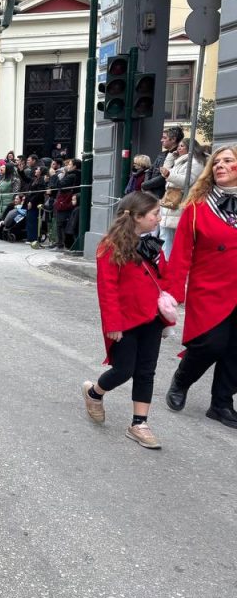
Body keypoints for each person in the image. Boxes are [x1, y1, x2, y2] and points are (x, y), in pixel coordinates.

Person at [82, 191, 173, 449]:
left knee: (146, 370)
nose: (159, 218)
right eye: (155, 213)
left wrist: (168, 306)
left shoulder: (154, 243)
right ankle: (94, 392)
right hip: (125, 320)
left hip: (152, 317)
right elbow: (107, 288)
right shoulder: (110, 245)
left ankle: (139, 423)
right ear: (137, 216)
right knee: (124, 370)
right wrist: (113, 324)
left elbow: (163, 278)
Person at [165, 144, 237, 429]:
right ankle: (182, 380)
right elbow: (181, 253)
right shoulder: (197, 208)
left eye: (228, 161)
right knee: (210, 343)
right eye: (216, 162)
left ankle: (221, 404)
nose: (220, 165)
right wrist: (172, 293)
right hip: (210, 288)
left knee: (235, 350)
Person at [160, 139, 206, 257]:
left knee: (173, 238)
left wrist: (169, 175)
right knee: (166, 237)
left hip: (179, 202)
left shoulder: (195, 162)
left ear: (190, 148)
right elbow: (164, 170)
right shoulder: (180, 161)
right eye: (178, 146)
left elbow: (187, 181)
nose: (178, 148)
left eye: (182, 146)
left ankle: (169, 264)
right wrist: (171, 155)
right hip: (171, 201)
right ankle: (166, 264)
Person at [25, 164, 49, 247]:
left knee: (34, 221)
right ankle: (29, 237)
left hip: (36, 203)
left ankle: (34, 238)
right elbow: (26, 181)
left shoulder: (42, 180)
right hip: (30, 201)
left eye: (37, 169)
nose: (35, 170)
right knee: (29, 220)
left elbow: (39, 193)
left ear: (41, 171)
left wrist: (31, 201)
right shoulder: (35, 179)